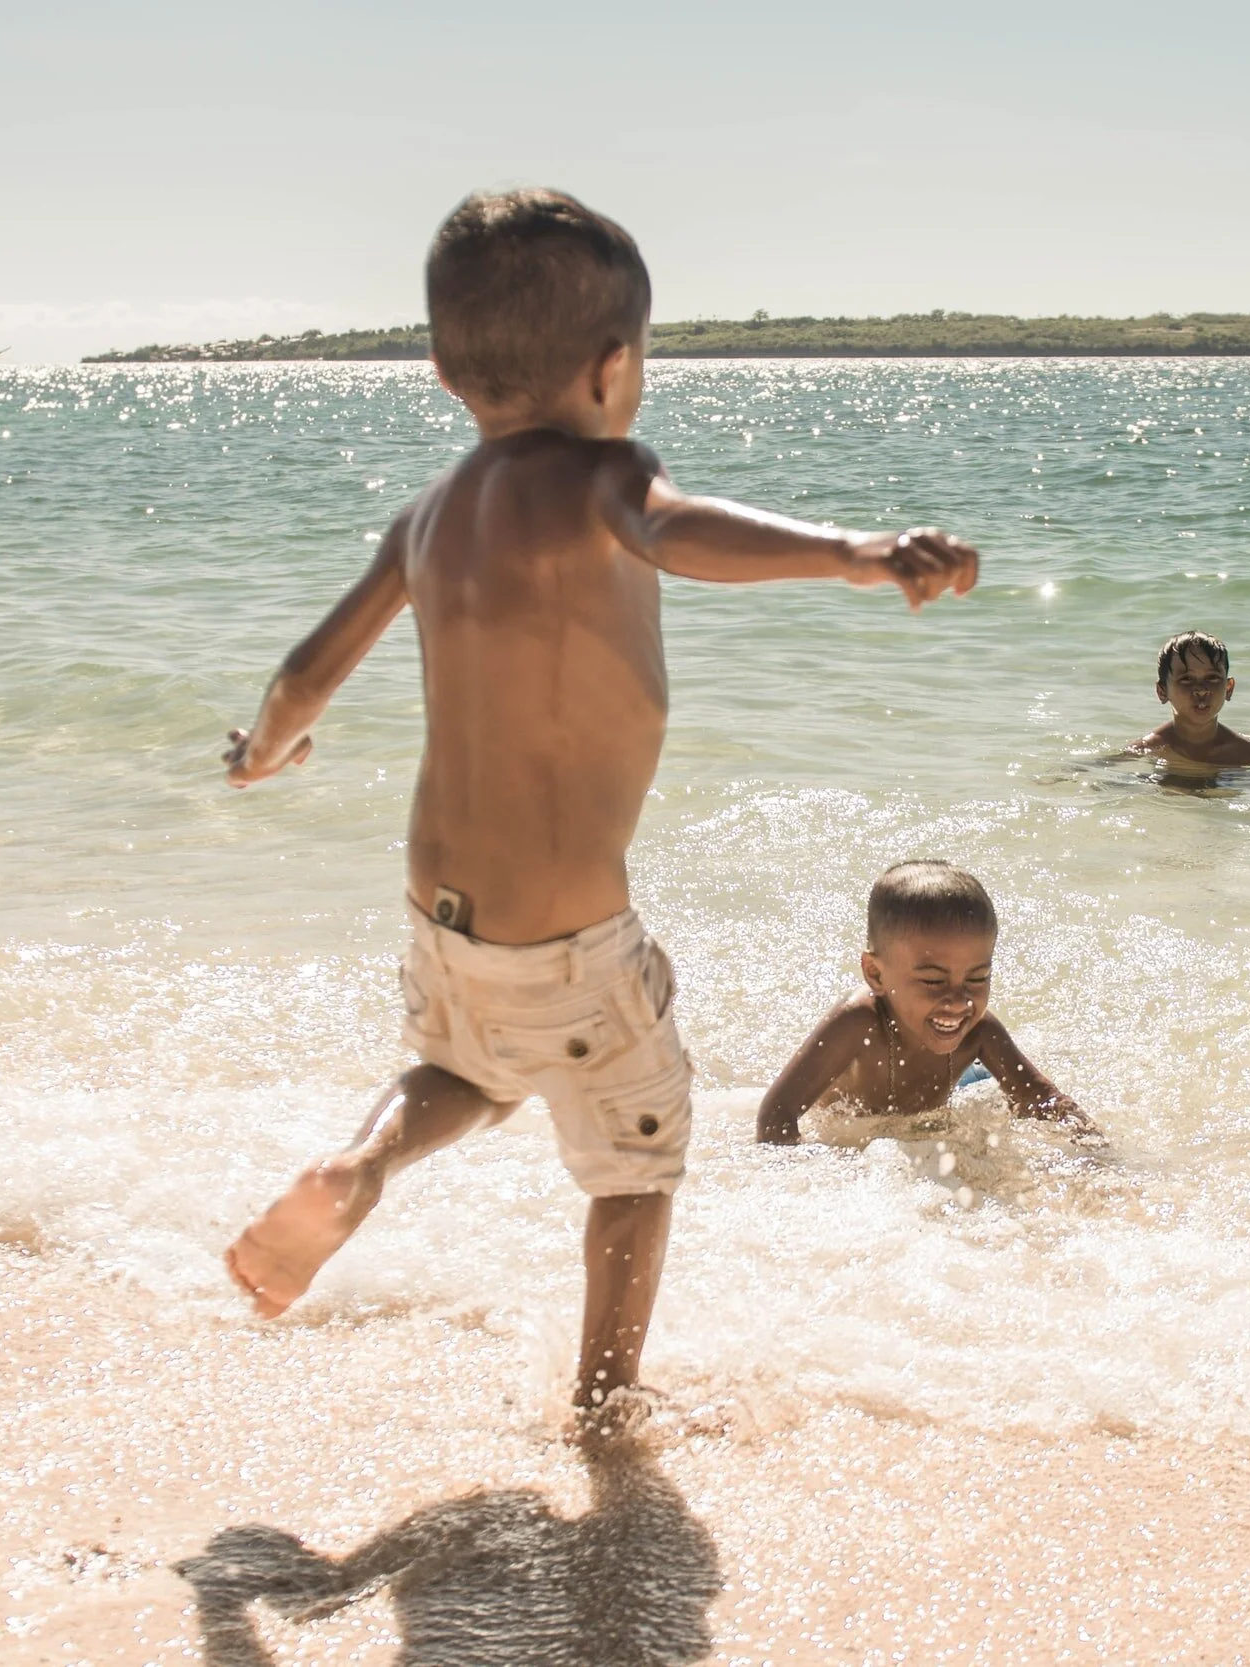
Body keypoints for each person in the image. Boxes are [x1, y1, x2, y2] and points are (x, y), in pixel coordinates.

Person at [217, 188, 979, 1417]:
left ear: (443, 371)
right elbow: (681, 531)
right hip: (571, 937)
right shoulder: (605, 476)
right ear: (615, 365)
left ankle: (359, 1165)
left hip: (442, 914)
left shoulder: (424, 517)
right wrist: (853, 550)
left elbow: (308, 671)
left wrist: (260, 753)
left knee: (468, 1063)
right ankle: (606, 1399)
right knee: (636, 1166)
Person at [755, 860, 1098, 1147]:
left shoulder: (979, 1031)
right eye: (934, 981)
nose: (959, 1000)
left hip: (964, 1081)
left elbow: (1042, 1099)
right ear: (876, 974)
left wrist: (1096, 1156)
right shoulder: (858, 1023)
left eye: (977, 978)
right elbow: (776, 1113)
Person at [1129, 630, 1250, 774]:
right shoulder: (1149, 747)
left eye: (1212, 678)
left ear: (1228, 688)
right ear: (1162, 691)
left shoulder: (1244, 751)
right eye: (1187, 679)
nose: (1201, 690)